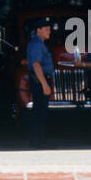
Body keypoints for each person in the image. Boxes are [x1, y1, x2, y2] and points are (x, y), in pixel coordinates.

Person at [26, 19, 55, 148]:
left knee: (40, 110)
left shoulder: (39, 44)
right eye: (46, 28)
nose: (49, 31)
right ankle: (37, 141)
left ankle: (38, 140)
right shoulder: (37, 45)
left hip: (40, 79)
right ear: (38, 30)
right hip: (40, 80)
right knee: (39, 110)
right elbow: (36, 65)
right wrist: (44, 84)